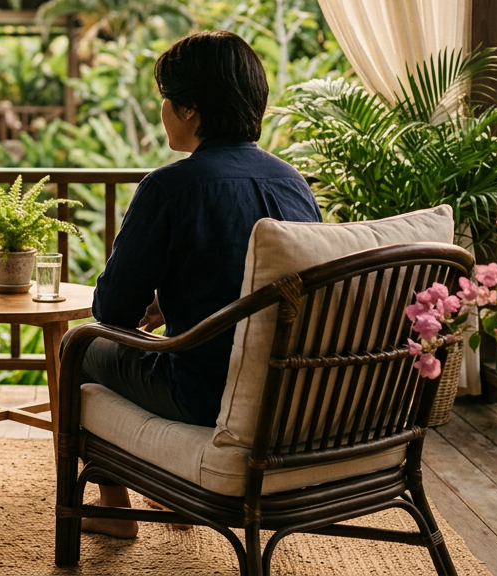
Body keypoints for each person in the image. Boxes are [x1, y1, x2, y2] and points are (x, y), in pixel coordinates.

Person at [82, 30, 322, 538]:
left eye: (166, 98)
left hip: (207, 394)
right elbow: (263, 282)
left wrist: (155, 299)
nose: (163, 110)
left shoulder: (170, 186)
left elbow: (113, 309)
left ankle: (112, 509)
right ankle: (172, 487)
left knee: (80, 348)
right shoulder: (292, 182)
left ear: (189, 109)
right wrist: (175, 299)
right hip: (293, 394)